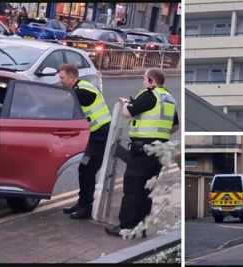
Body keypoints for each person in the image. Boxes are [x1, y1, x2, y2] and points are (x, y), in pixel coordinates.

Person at [105, 68, 179, 237]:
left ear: (151, 80)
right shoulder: (169, 99)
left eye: (145, 79)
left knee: (133, 188)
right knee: (147, 189)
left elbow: (127, 112)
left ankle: (127, 227)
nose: (143, 82)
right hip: (161, 150)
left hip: (144, 149)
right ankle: (140, 227)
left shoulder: (149, 94)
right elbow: (175, 126)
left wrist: (125, 102)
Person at [59, 64, 111, 220]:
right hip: (95, 135)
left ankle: (86, 208)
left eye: (61, 77)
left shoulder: (82, 91)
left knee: (87, 170)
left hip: (101, 136)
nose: (59, 80)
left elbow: (65, 105)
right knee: (84, 170)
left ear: (71, 77)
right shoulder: (81, 87)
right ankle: (82, 204)